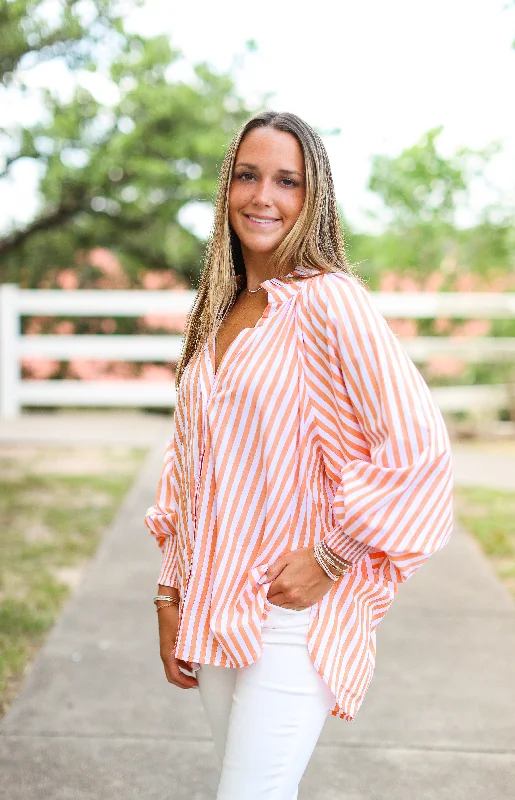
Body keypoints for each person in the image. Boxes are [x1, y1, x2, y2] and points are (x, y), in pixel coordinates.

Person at [144, 110, 454, 799]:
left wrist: (333, 555)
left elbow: (418, 448)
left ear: (313, 199)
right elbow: (188, 466)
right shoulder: (220, 311)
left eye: (287, 181)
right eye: (248, 176)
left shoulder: (329, 303)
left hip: (293, 612)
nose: (264, 197)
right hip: (211, 600)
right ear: (227, 187)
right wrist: (168, 592)